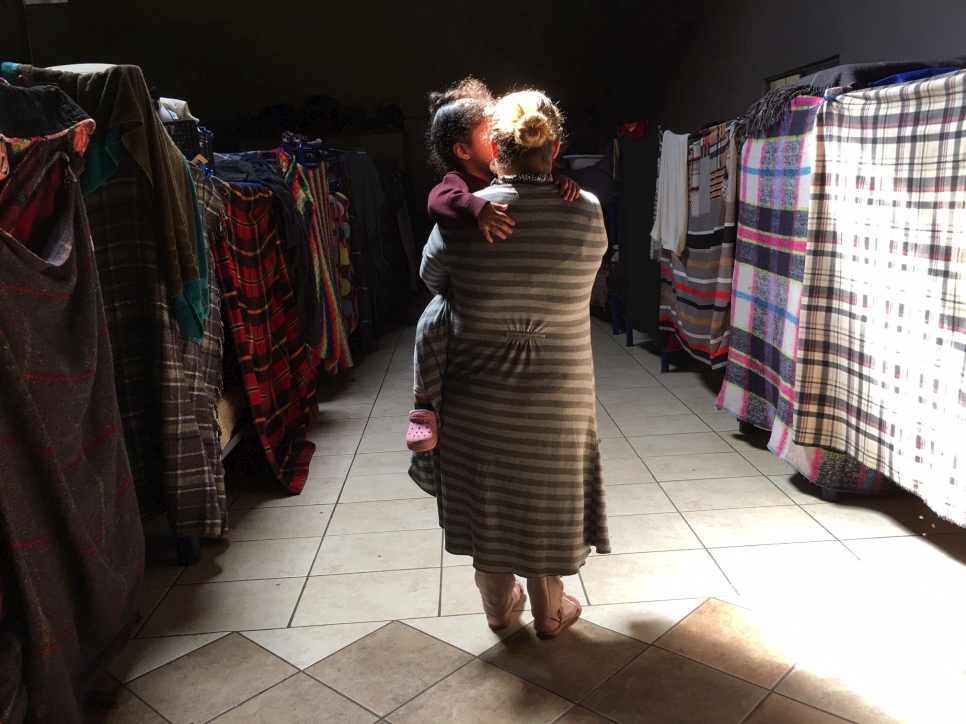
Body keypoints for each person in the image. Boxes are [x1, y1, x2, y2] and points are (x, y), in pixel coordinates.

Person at [418, 89, 611, 638]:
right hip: (561, 390)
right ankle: (551, 615)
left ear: (494, 150)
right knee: (548, 493)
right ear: (556, 147)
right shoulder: (587, 210)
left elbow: (433, 284)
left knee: (490, 497)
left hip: (478, 391)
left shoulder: (462, 219)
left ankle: (500, 613)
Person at [406, 78, 579, 453]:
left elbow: (538, 171)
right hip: (462, 295)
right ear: (463, 150)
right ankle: (422, 406)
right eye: (490, 133)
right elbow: (439, 200)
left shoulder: (502, 174)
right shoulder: (459, 182)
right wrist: (477, 207)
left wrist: (559, 178)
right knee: (430, 325)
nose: (501, 136)